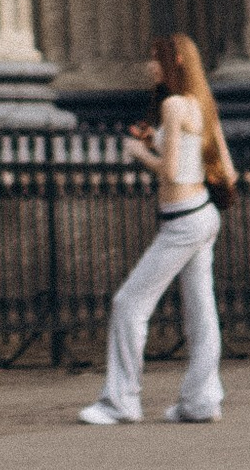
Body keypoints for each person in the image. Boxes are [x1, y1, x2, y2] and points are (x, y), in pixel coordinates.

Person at [77, 34, 236, 429]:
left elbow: (167, 171)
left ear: (175, 60)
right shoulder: (202, 104)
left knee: (128, 303)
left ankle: (120, 402)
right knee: (201, 312)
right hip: (203, 215)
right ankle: (201, 401)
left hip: (182, 221)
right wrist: (160, 142)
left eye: (155, 58)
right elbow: (229, 172)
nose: (150, 66)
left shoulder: (172, 104)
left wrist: (139, 153)